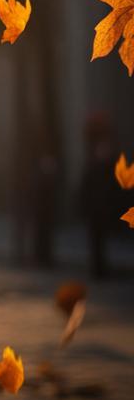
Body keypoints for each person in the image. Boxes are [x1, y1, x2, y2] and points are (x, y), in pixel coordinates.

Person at [80, 112, 119, 278]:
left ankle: (99, 268)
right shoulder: (93, 164)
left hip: (100, 205)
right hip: (96, 205)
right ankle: (97, 268)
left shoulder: (104, 164)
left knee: (100, 238)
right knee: (96, 238)